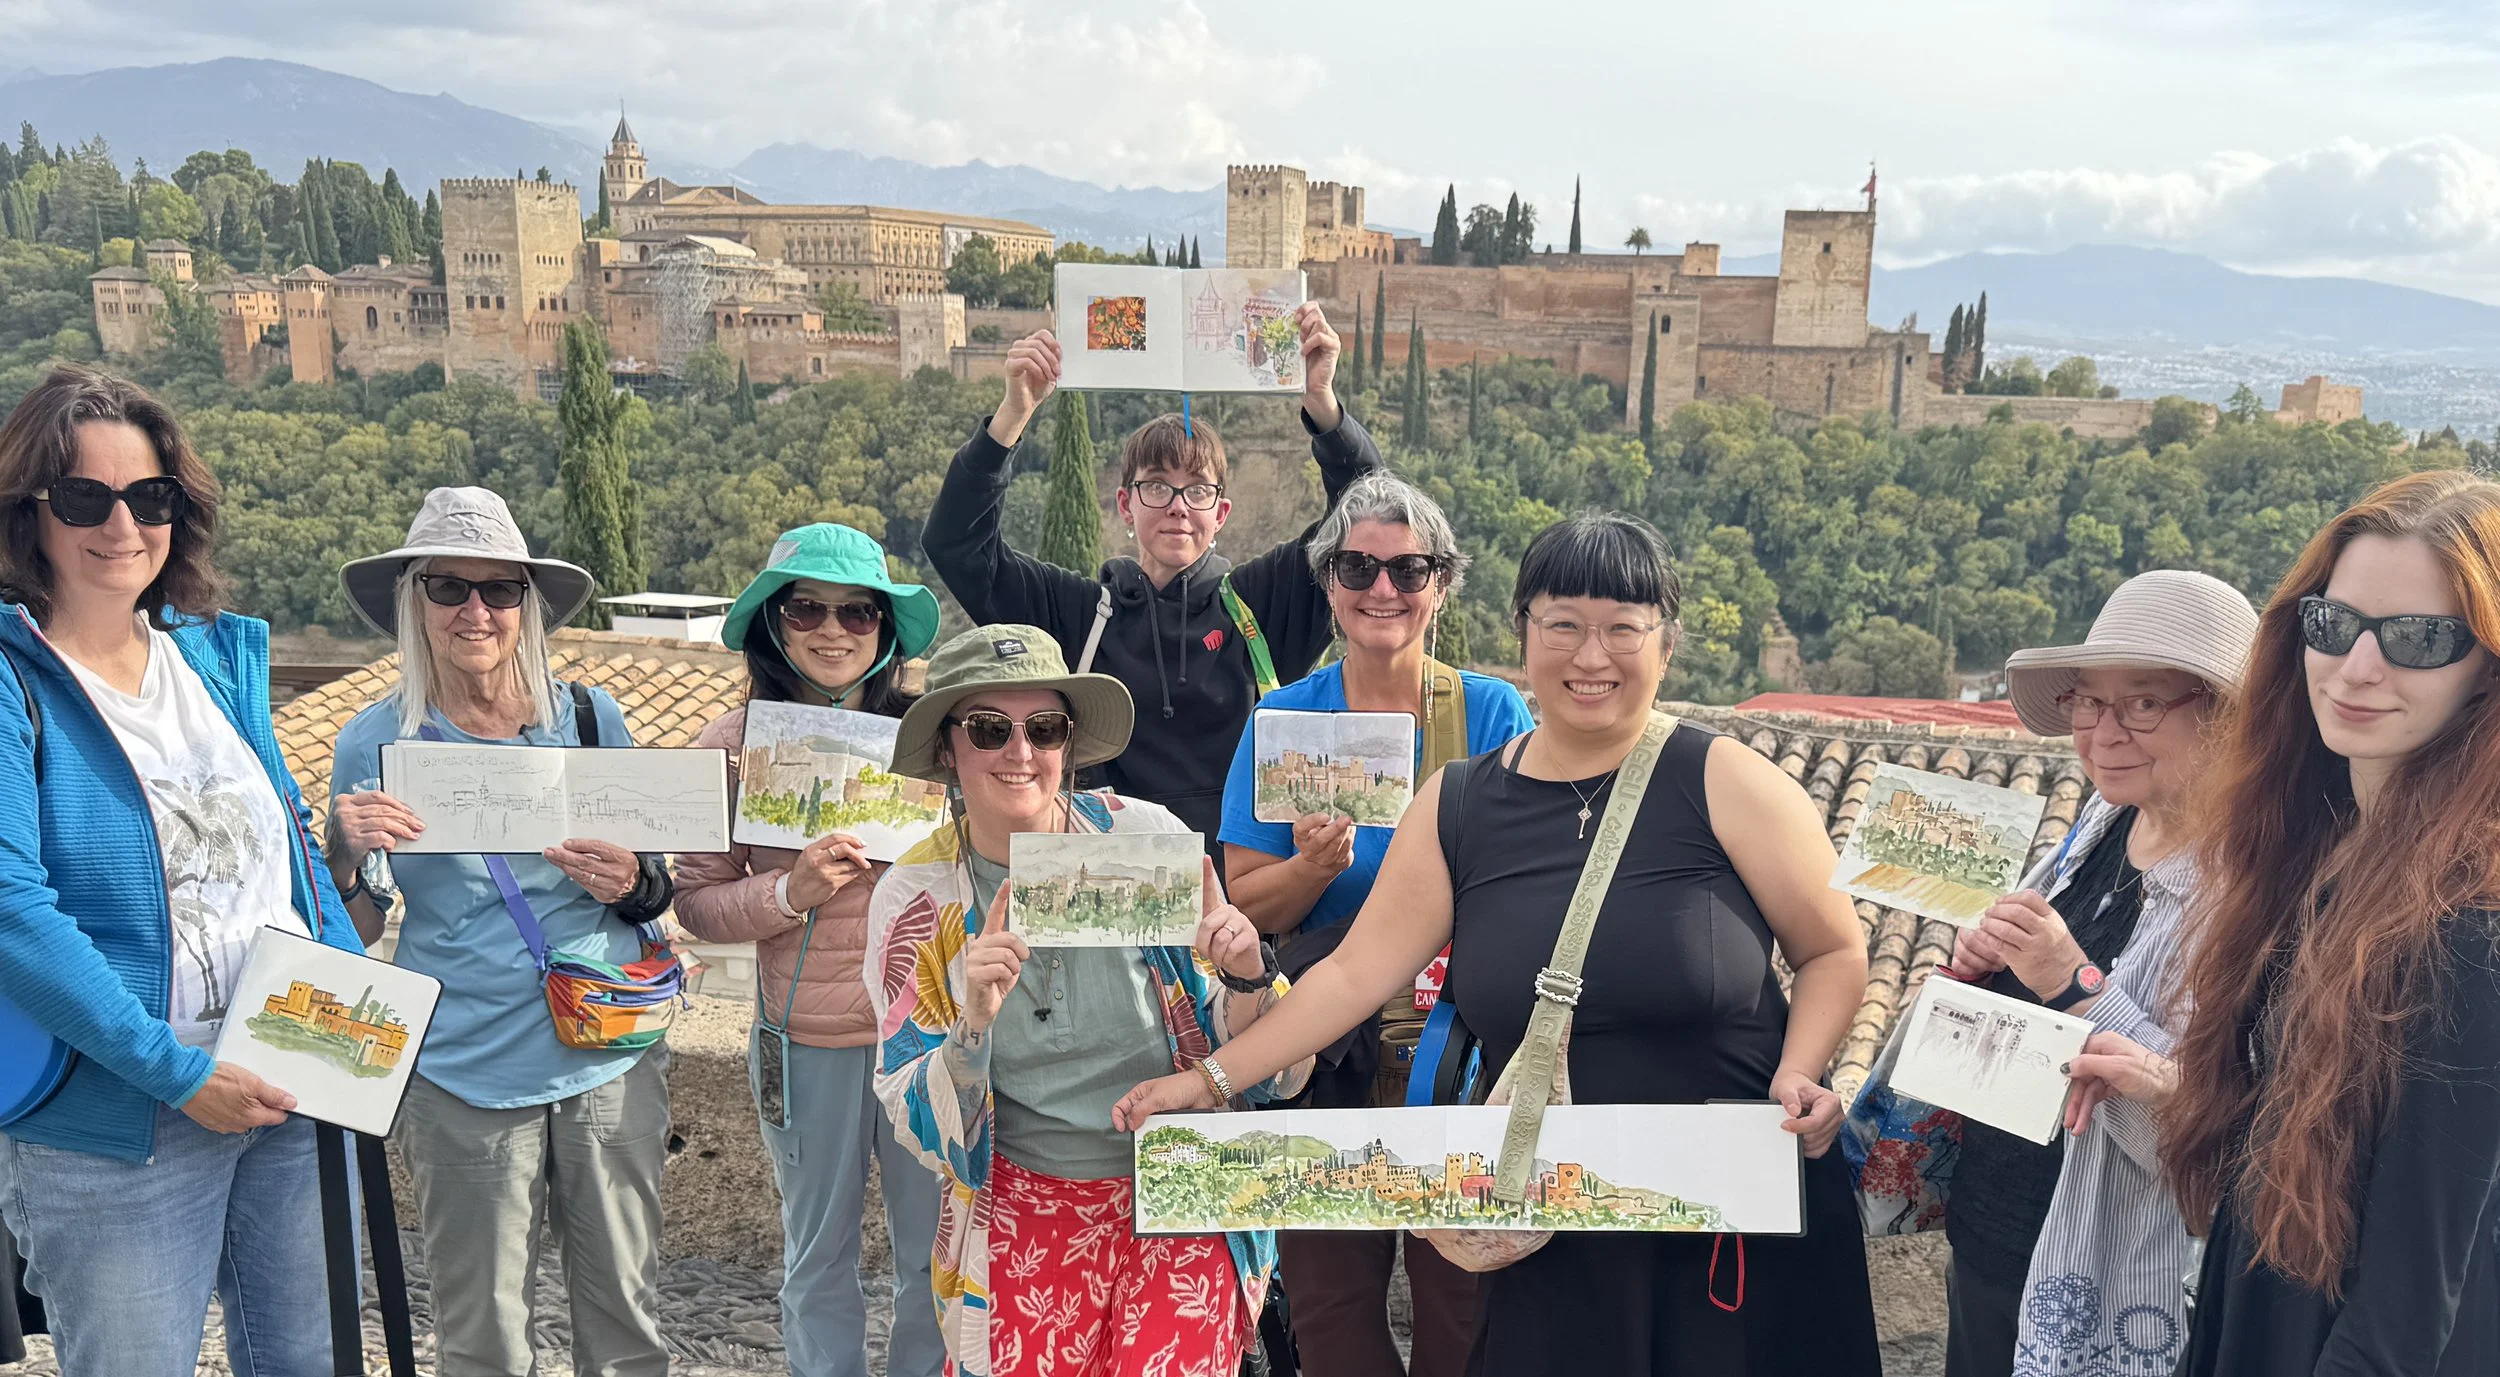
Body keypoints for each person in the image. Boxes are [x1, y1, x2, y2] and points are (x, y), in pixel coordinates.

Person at [1115, 513, 1881, 1376]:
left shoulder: (1726, 781)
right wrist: (1208, 1080)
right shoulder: (1460, 805)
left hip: (1731, 1222)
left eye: (1622, 629)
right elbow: (1354, 974)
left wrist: (1801, 1069)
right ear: (1524, 634)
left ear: (1665, 645)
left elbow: (1833, 950)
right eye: (1564, 625)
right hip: (1554, 1234)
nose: (1591, 656)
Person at [0, 365, 364, 1375]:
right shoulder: (10, 680)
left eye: (149, 496)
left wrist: (356, 1031)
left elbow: (290, 854)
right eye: (85, 497)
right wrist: (182, 1074)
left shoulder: (210, 660)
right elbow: (10, 909)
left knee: (304, 1362)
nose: (123, 525)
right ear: (30, 512)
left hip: (286, 1079)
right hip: (123, 1119)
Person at [862, 625, 1314, 1377]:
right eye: (989, 728)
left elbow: (1269, 1066)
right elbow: (916, 1118)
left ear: (1068, 743)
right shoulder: (916, 899)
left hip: (1181, 1178)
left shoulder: (1145, 842)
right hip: (1018, 1201)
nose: (1020, 750)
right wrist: (973, 1023)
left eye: (1044, 728)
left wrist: (1245, 975)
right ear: (946, 748)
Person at [2151, 471, 2500, 1376]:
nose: (2358, 667)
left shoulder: (2469, 929)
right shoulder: (2322, 848)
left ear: (2488, 666)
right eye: (2334, 624)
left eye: (2418, 638)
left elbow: (2407, 1310)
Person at [323, 488, 677, 1377]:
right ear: (414, 601)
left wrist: (630, 878)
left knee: (627, 1327)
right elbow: (354, 927)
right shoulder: (372, 743)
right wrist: (342, 857)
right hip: (462, 1074)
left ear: (527, 605)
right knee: (481, 1337)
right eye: (449, 587)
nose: (475, 610)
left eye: (499, 589)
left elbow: (654, 882)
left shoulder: (590, 720)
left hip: (607, 1055)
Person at [1217, 472, 1533, 1377]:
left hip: (1459, 1058)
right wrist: (1313, 868)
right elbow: (1245, 906)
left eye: (1408, 569)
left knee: (1464, 1308)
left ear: (1442, 585)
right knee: (1330, 1314)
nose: (1382, 589)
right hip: (1327, 1053)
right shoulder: (1283, 720)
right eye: (1358, 567)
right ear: (1329, 584)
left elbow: (1528, 884)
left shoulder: (1491, 714)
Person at [1939, 570, 2257, 1377]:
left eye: (2143, 703)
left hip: (2108, 1278)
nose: (2103, 733)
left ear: (2228, 716)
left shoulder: (2254, 890)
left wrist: (2071, 978)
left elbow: (2219, 1136)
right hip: (1990, 1232)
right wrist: (1991, 958)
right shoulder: (2102, 821)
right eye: (2088, 701)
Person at [920, 305, 1380, 861]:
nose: (1178, 507)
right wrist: (1012, 415)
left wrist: (1323, 403)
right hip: (1104, 884)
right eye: (1157, 487)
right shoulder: (1078, 614)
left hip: (1246, 889)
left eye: (1198, 490)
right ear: (1126, 505)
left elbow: (1369, 514)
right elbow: (957, 545)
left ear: (1221, 513)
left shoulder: (1262, 605)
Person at [673, 523, 946, 1377]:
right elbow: (694, 902)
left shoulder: (933, 741)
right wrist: (788, 893)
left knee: (936, 1260)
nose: (833, 630)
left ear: (885, 629)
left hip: (925, 1037)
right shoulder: (729, 747)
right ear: (774, 622)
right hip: (805, 1044)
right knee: (817, 1257)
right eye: (807, 609)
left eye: (857, 612)